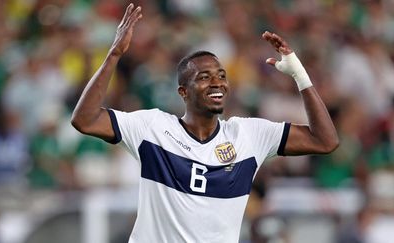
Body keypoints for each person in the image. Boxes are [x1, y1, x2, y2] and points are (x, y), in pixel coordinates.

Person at [71, 3, 339, 242]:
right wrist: (114, 55)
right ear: (183, 92)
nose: (217, 82)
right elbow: (85, 119)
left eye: (221, 75)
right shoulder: (152, 128)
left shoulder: (248, 135)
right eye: (204, 77)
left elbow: (325, 140)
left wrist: (300, 75)